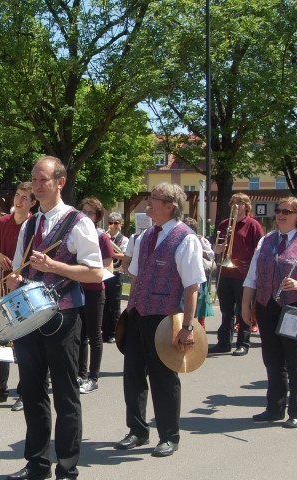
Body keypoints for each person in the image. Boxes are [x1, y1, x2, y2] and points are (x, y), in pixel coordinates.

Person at [5, 156, 104, 480]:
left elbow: (93, 273)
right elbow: (19, 268)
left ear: (59, 182)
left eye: (42, 180)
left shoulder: (79, 223)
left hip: (64, 318)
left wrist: (55, 267)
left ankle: (67, 467)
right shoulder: (30, 224)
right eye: (33, 180)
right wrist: (14, 280)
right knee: (31, 393)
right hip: (30, 318)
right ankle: (36, 463)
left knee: (65, 395)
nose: (35, 186)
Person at [114, 182, 205, 458]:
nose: (149, 202)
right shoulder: (144, 237)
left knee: (164, 378)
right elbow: (135, 273)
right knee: (132, 376)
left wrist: (188, 327)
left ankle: (169, 436)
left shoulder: (186, 238)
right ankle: (137, 430)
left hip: (165, 319)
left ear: (170, 206)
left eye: (155, 199)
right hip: (138, 313)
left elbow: (192, 287)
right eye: (150, 197)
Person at [242, 197, 297, 429]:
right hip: (267, 305)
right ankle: (274, 408)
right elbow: (252, 275)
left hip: (294, 306)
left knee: (296, 361)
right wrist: (246, 304)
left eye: (287, 211)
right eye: (278, 211)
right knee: (272, 359)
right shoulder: (266, 240)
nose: (281, 214)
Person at [0, 182, 36, 411]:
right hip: (1, 288)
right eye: (17, 195)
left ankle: (25, 390)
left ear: (32, 202)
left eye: (24, 198)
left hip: (23, 290)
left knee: (25, 345)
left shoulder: (34, 225)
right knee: (1, 341)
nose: (19, 200)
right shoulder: (2, 222)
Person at [210, 193, 263, 356]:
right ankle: (224, 343)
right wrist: (217, 248)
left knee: (243, 310)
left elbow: (261, 248)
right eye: (234, 202)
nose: (236, 205)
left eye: (240, 203)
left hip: (243, 273)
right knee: (226, 311)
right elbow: (215, 244)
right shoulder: (224, 224)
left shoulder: (253, 224)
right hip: (225, 272)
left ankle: (243, 343)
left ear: (246, 206)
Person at [77, 197, 115, 395]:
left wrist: (91, 273)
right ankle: (80, 374)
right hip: (77, 290)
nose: (86, 215)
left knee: (94, 334)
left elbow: (109, 267)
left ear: (98, 216)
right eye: (84, 211)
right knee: (79, 335)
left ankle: (93, 377)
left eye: (91, 212)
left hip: (94, 291)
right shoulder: (76, 234)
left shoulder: (102, 238)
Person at [183, 217, 215, 328]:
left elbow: (211, 254)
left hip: (198, 273)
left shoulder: (200, 239)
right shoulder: (180, 238)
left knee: (201, 300)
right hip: (184, 272)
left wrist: (199, 251)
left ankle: (201, 324)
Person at [102, 212, 129, 344]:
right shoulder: (105, 237)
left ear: (120, 224)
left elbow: (124, 256)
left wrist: (110, 251)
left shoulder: (124, 240)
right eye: (110, 223)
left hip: (117, 274)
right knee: (105, 303)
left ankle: (115, 333)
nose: (112, 226)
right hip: (105, 273)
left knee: (115, 305)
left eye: (116, 223)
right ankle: (105, 332)